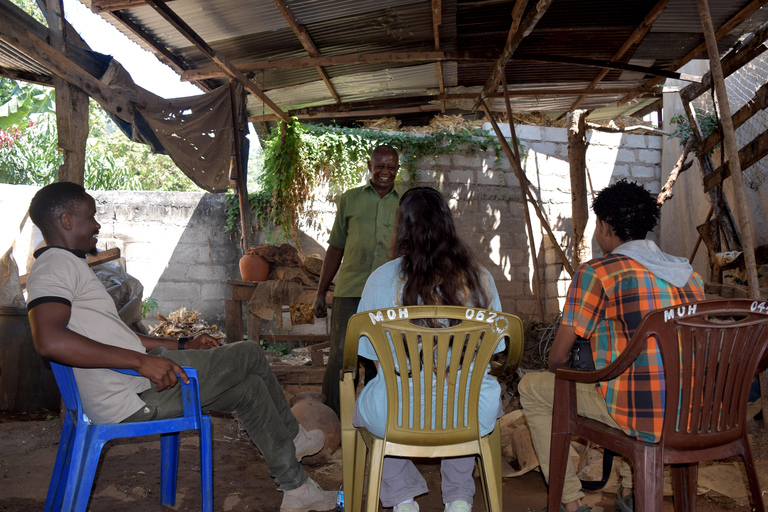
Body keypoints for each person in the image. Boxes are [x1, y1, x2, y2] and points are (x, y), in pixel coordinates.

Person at [25, 182, 337, 512]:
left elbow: (124, 338)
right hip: (131, 397)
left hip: (134, 382)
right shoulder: (54, 266)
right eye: (91, 216)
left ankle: (297, 489)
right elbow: (50, 340)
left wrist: (183, 342)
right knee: (250, 352)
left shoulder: (70, 264)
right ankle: (293, 437)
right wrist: (140, 363)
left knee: (250, 388)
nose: (97, 224)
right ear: (67, 220)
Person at [518, 179, 706, 512]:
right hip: (689, 413)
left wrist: (565, 368)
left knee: (533, 387)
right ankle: (632, 491)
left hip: (638, 414)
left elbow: (559, 356)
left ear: (606, 226)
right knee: (637, 379)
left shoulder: (599, 272)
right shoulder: (691, 276)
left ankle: (571, 502)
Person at [353, 187, 504, 512]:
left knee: (369, 399)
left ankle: (403, 499)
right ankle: (460, 499)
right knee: (463, 393)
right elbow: (494, 351)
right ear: (447, 225)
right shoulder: (481, 280)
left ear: (402, 229)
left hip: (397, 416)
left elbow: (368, 355)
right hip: (470, 414)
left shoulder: (380, 280)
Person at [313, 144, 401, 416]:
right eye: (380, 166)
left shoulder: (407, 201)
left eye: (391, 167)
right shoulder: (349, 199)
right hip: (351, 291)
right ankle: (333, 420)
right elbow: (336, 247)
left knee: (385, 357)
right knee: (341, 356)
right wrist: (320, 292)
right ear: (369, 166)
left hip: (391, 293)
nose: (385, 172)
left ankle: (377, 416)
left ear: (397, 169)